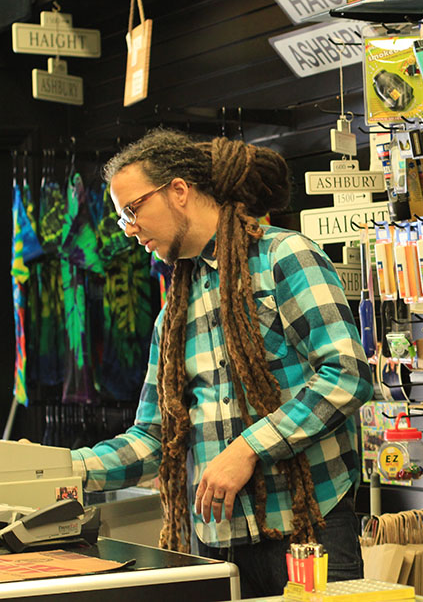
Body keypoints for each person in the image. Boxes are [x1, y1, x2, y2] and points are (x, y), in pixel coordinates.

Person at [70, 129, 373, 597]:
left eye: (132, 210)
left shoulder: (285, 257)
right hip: (219, 543)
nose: (129, 228)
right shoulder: (173, 314)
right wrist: (62, 470)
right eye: (121, 219)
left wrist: (249, 448)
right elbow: (154, 439)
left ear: (179, 191)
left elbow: (347, 375)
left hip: (309, 530)